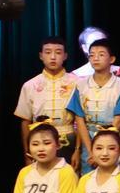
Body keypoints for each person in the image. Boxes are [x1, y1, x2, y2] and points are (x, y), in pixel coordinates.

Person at [16, 37, 81, 167]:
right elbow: (25, 121)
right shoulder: (30, 85)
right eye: (48, 52)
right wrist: (27, 153)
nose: (53, 57)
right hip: (40, 140)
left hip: (68, 140)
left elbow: (80, 120)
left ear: (65, 56)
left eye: (58, 52)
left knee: (68, 176)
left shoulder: (77, 83)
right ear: (41, 56)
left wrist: (78, 150)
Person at [66, 37, 120, 174]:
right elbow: (80, 120)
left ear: (112, 59)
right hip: (87, 143)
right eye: (92, 55)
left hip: (112, 142)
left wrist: (102, 148)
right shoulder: (81, 85)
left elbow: (118, 121)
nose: (95, 58)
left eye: (101, 54)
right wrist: (91, 151)